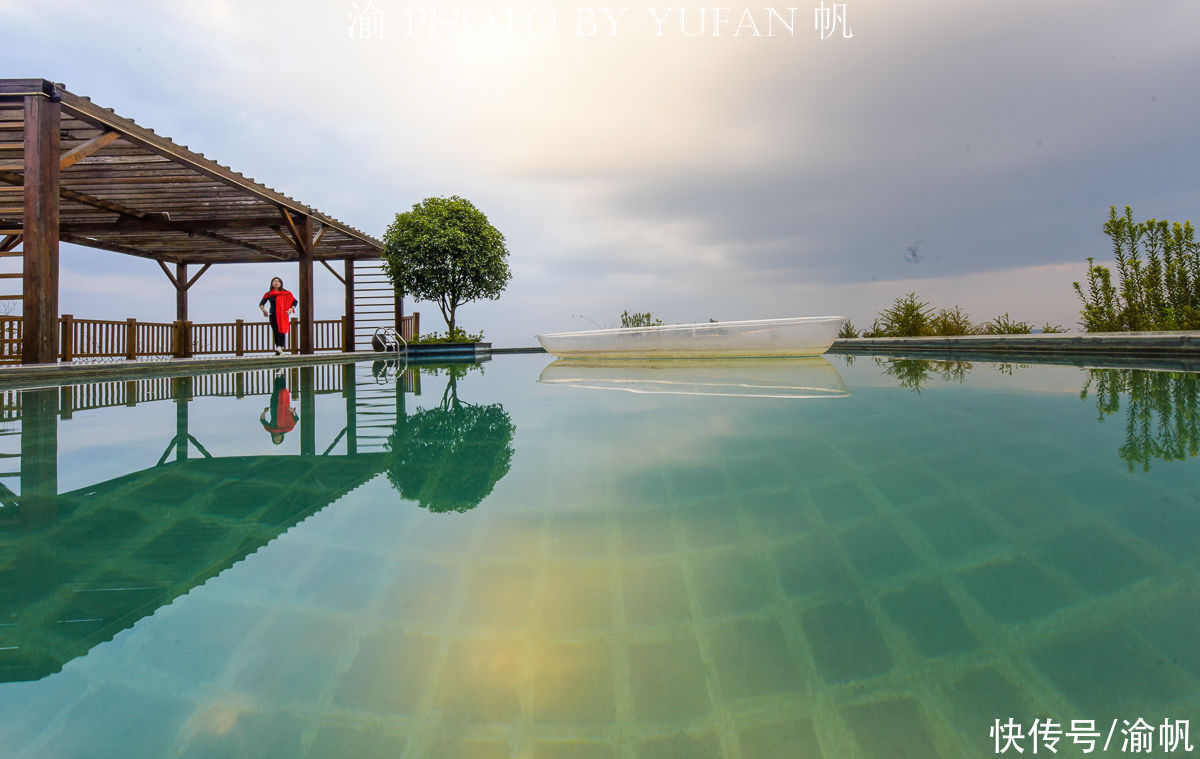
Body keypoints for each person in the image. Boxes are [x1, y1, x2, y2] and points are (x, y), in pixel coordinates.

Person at [259, 277, 298, 356]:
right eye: (275, 281)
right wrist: (264, 311)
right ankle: (278, 349)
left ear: (281, 283)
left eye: (278, 281)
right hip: (273, 314)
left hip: (282, 314)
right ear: (272, 283)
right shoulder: (269, 294)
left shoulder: (286, 293)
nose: (276, 283)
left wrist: (291, 309)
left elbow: (295, 301)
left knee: (282, 330)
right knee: (276, 331)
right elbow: (261, 304)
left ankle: (279, 347)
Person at [260, 369, 299, 444]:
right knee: (283, 391)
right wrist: (293, 412)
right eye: (279, 440)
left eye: (275, 440)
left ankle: (278, 376)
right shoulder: (287, 429)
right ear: (282, 438)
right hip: (284, 408)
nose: (277, 438)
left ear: (273, 438)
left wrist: (264, 412)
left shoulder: (270, 429)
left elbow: (262, 420)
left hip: (274, 407)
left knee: (276, 392)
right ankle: (281, 375)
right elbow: (296, 419)